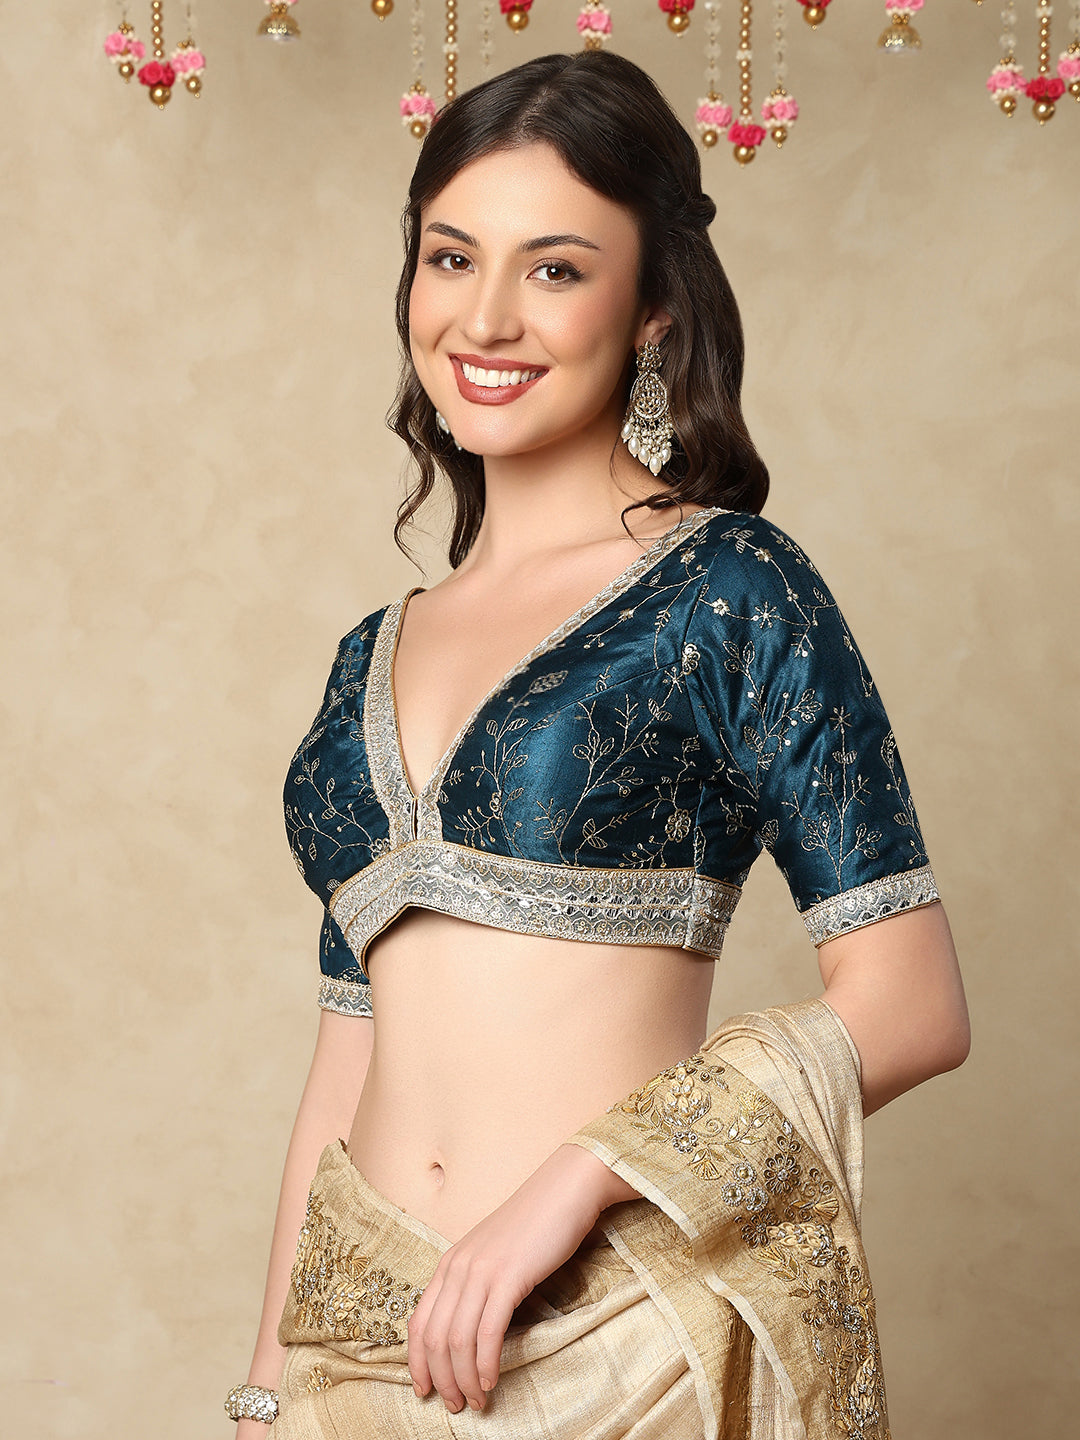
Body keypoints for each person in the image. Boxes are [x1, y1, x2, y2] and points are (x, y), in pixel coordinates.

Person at [226, 49, 970, 1440]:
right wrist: (266, 1396)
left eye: (556, 269)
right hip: (356, 1359)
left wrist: (570, 1187)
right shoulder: (369, 654)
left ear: (652, 313)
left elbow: (913, 1003)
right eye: (452, 257)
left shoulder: (729, 590)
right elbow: (346, 1063)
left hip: (618, 1348)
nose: (486, 317)